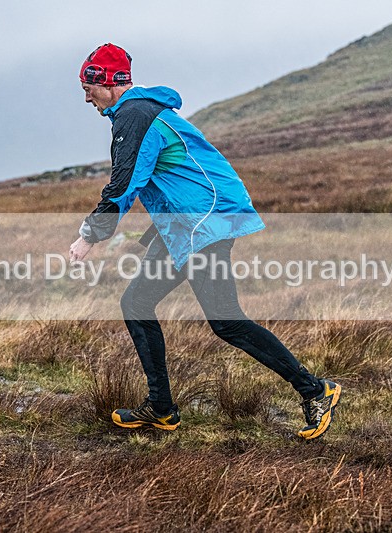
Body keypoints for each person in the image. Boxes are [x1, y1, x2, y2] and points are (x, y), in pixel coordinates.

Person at [69, 43, 341, 439]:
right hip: (184, 223)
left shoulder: (135, 115)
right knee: (137, 301)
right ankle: (161, 408)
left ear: (107, 82)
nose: (85, 96)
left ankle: (316, 391)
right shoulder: (139, 113)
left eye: (88, 86)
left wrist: (89, 235)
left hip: (203, 221)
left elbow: (125, 183)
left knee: (226, 321)